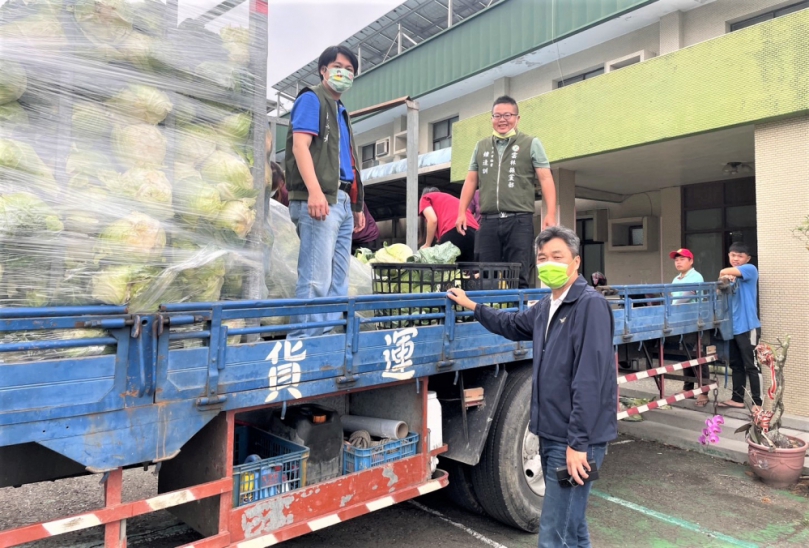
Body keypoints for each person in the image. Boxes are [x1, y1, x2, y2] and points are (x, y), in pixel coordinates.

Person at [448, 225, 617, 547]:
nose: (549, 263)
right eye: (542, 257)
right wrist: (472, 306)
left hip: (577, 440)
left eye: (557, 256)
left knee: (554, 528)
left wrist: (578, 444)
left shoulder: (589, 305)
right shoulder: (547, 305)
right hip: (553, 434)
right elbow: (511, 325)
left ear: (576, 262)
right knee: (572, 521)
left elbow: (590, 379)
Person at [284, 45, 365, 338]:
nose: (344, 73)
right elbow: (299, 146)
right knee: (315, 279)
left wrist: (356, 207)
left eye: (350, 70)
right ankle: (302, 344)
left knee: (337, 281)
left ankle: (326, 341)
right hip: (319, 199)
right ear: (323, 70)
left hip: (341, 201)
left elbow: (348, 162)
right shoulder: (311, 99)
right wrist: (315, 192)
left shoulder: (341, 111)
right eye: (338, 66)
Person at [455, 95, 557, 289]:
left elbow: (546, 179)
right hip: (488, 222)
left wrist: (550, 214)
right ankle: (490, 317)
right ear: (492, 119)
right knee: (486, 277)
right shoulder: (481, 146)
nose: (502, 120)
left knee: (518, 276)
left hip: (520, 221)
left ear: (517, 118)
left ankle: (518, 318)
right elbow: (470, 180)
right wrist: (461, 212)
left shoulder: (531, 143)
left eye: (508, 115)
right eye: (497, 115)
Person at [717, 243, 761, 409]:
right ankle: (737, 399)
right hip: (732, 327)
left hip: (748, 326)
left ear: (747, 258)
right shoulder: (730, 275)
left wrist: (724, 273)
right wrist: (724, 277)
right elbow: (719, 288)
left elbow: (723, 272)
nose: (736, 258)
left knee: (752, 365)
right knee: (736, 365)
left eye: (740, 256)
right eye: (733, 255)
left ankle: (758, 403)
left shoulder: (750, 269)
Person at [669, 248, 709, 406]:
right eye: (676, 259)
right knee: (686, 354)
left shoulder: (696, 276)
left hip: (693, 320)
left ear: (691, 261)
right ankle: (688, 387)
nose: (678, 262)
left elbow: (686, 296)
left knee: (697, 355)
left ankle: (703, 391)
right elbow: (673, 297)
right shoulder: (676, 279)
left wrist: (671, 309)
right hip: (680, 321)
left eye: (682, 259)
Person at [419, 187, 479, 262]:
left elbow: (432, 220)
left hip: (455, 231)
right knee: (467, 270)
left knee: (444, 270)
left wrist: (427, 244)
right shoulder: (451, 199)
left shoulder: (426, 198)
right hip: (475, 235)